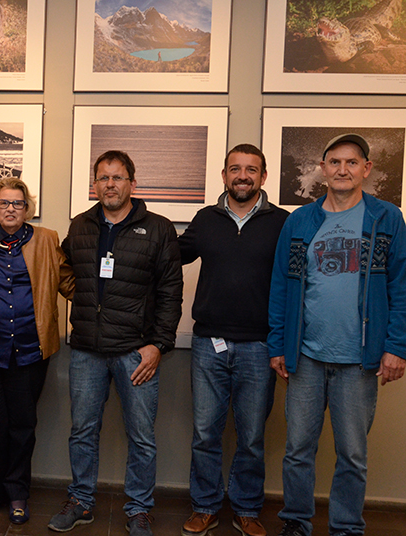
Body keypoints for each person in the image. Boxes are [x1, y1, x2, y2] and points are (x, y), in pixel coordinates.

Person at [268, 134, 406, 536]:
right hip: (306, 356)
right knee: (298, 451)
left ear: (365, 169)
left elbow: (400, 286)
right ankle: (295, 522)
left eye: (351, 162)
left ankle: (346, 527)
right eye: (334, 162)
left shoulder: (385, 218)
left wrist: (396, 347)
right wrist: (278, 344)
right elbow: (282, 285)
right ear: (323, 169)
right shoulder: (300, 221)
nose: (342, 170)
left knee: (352, 453)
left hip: (359, 360)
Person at [47, 150, 183, 536]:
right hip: (88, 349)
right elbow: (66, 269)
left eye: (118, 177)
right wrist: (86, 299)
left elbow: (171, 292)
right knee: (82, 431)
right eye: (103, 178)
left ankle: (139, 508)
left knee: (141, 436)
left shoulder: (158, 229)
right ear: (95, 185)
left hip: (136, 352)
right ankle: (81, 501)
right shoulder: (82, 225)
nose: (110, 184)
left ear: (132, 184)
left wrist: (158, 345)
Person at [178, 144, 288, 536]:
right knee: (206, 432)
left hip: (260, 347)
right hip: (210, 343)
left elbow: (296, 283)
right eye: (235, 169)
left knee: (252, 435)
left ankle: (246, 508)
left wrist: (285, 343)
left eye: (251, 170)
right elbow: (172, 255)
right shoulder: (206, 219)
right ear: (224, 175)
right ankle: (205, 506)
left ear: (263, 176)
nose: (243, 176)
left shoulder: (282, 222)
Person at [0, 177, 74, 525]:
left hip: (29, 349)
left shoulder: (47, 240)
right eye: (4, 203)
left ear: (28, 209)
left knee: (22, 425)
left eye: (18, 203)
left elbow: (70, 282)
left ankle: (18, 493)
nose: (10, 209)